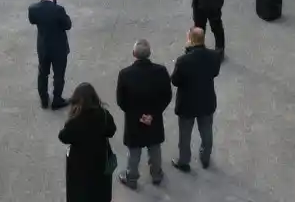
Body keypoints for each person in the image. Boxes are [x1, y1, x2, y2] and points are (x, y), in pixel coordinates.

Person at [115, 40, 172, 190]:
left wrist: (138, 116)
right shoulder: (161, 71)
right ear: (149, 53)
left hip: (134, 119)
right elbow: (167, 95)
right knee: (154, 146)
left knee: (134, 150)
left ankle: (131, 177)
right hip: (154, 118)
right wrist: (153, 114)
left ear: (134, 54)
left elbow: (121, 100)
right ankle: (156, 174)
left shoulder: (125, 74)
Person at [169, 27, 221, 172]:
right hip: (206, 101)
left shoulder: (183, 61)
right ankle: (205, 158)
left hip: (187, 104)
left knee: (185, 136)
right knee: (206, 132)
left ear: (190, 40)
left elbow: (175, 81)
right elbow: (215, 72)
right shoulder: (214, 56)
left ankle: (184, 161)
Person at [57, 83, 116, 202]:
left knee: (81, 191)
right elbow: (111, 131)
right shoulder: (104, 115)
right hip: (101, 160)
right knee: (100, 190)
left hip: (80, 164)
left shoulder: (75, 122)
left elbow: (63, 137)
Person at [28, 0, 72, 110]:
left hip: (43, 47)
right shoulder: (58, 10)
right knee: (59, 75)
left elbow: (33, 21)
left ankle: (44, 99)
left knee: (43, 73)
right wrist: (55, 4)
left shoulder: (33, 9)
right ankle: (57, 100)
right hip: (59, 48)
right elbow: (67, 25)